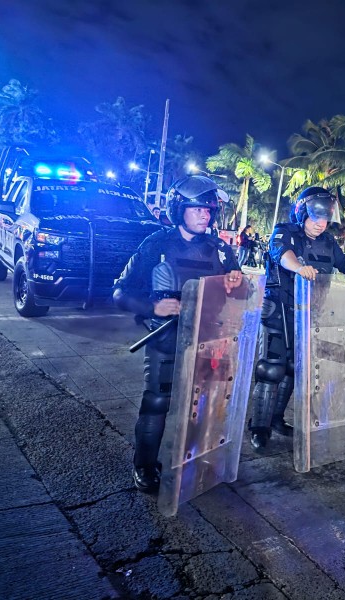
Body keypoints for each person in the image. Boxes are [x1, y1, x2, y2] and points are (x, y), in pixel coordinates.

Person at [113, 175, 243, 493]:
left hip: (209, 342)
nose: (205, 215)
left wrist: (238, 286)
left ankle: (200, 458)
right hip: (166, 339)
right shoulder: (156, 244)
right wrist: (151, 308)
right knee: (157, 402)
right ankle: (144, 466)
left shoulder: (222, 252)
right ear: (179, 209)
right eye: (197, 208)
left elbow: (240, 298)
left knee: (207, 404)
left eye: (209, 209)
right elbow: (119, 292)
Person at [248, 187, 345, 449]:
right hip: (280, 309)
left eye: (325, 218)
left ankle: (275, 419)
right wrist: (299, 268)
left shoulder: (328, 241)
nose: (321, 224)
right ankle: (259, 427)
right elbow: (283, 255)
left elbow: (344, 262)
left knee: (294, 368)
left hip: (310, 312)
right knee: (272, 368)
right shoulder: (284, 231)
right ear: (302, 213)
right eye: (316, 218)